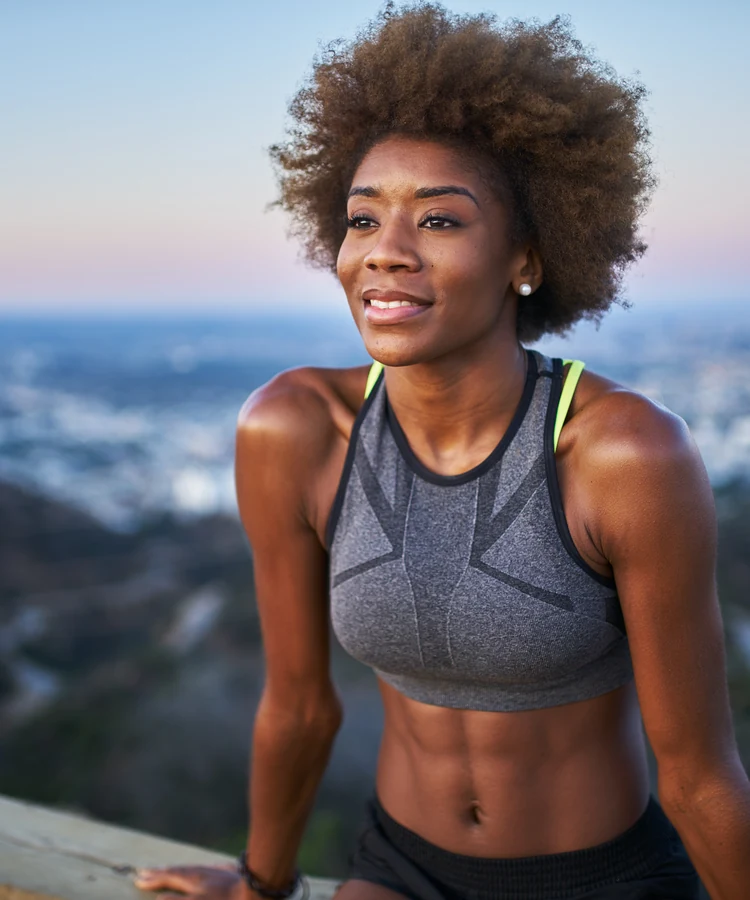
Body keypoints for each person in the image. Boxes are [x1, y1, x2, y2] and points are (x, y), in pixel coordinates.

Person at [135, 5, 750, 899]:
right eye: (361, 219)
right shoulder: (293, 428)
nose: (385, 254)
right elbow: (299, 704)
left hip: (602, 879)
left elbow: (697, 772)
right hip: (401, 870)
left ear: (526, 257)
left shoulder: (624, 453)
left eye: (439, 222)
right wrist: (259, 881)